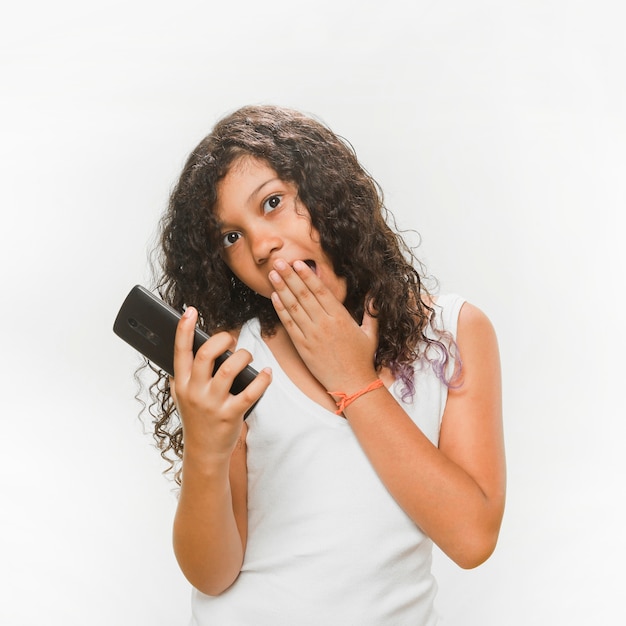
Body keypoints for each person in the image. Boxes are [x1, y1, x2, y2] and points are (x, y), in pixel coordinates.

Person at [144, 104, 505, 625]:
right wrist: (204, 448)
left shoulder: (451, 333)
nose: (262, 246)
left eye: (273, 202)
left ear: (327, 195)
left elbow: (472, 538)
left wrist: (352, 380)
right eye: (231, 237)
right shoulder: (235, 359)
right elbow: (212, 574)